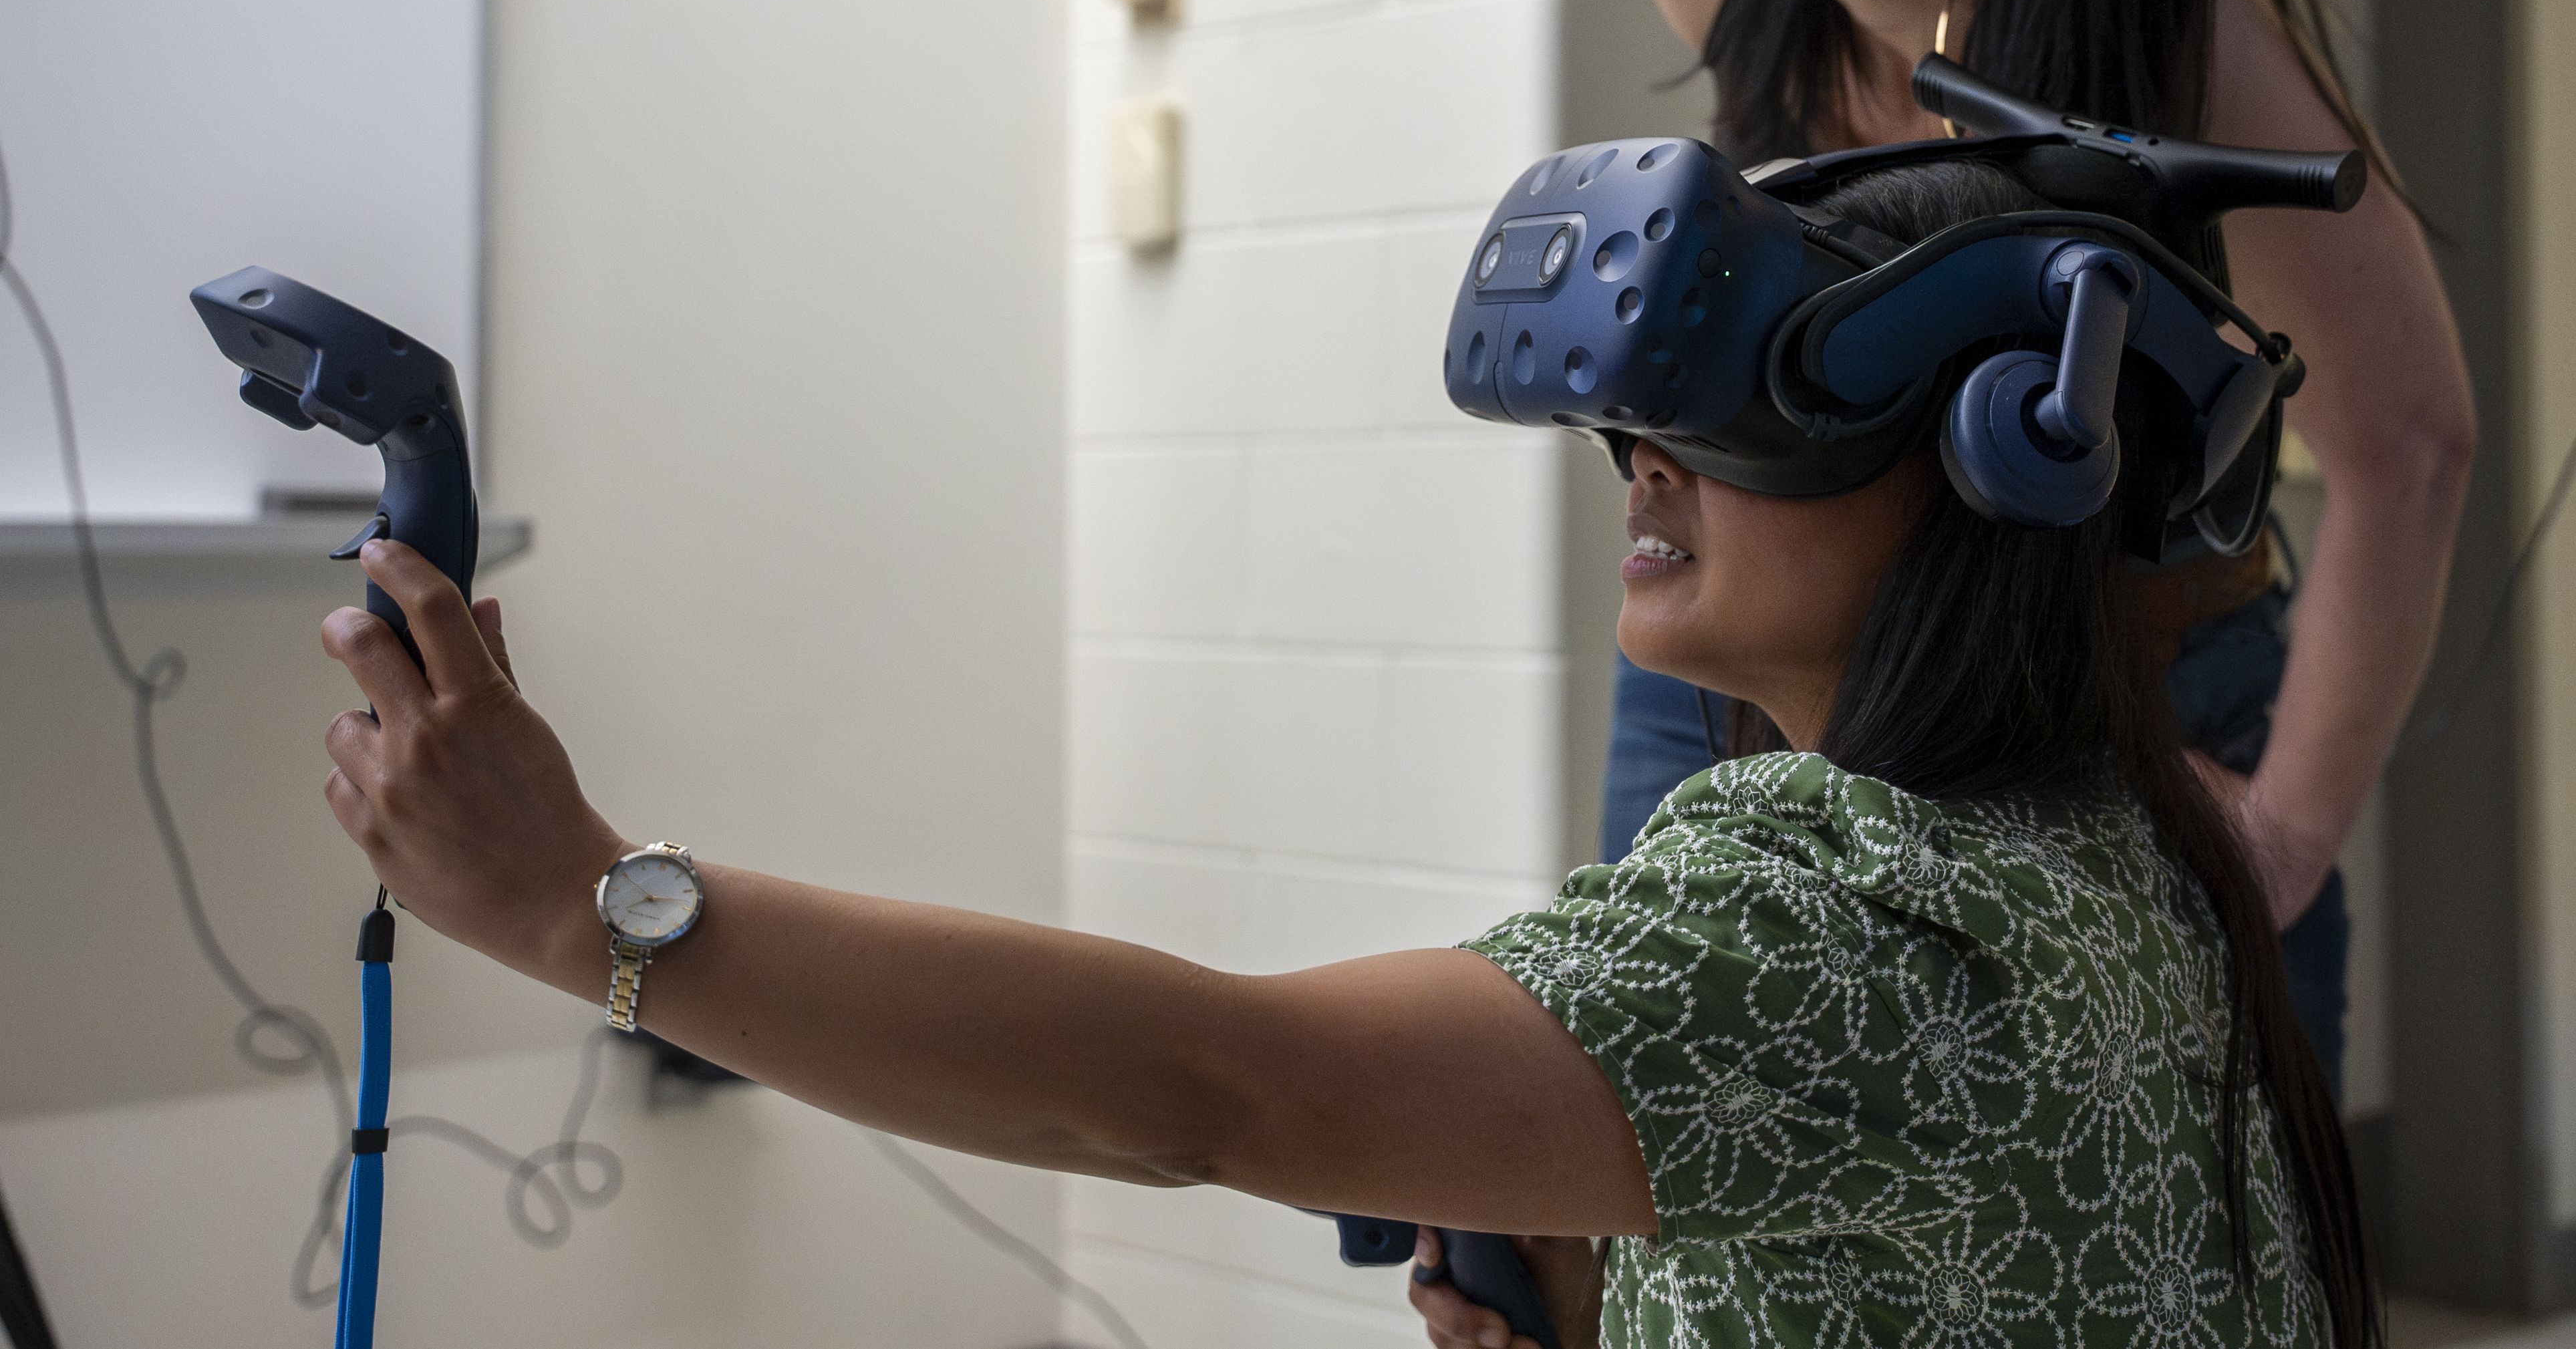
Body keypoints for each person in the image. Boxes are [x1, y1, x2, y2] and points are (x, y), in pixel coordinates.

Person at [885, 0, 2476, 1096]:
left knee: (2173, 1193)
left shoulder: (2179, 39)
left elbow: (2405, 441)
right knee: (1660, 1140)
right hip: (1742, 658)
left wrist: (2286, 832)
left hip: (2106, 679)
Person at [320, 155, 2380, 1349]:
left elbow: (1203, 1087)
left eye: (1750, 417)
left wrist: (587, 909)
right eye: (1637, 422)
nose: (1646, 466)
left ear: (2010, 464)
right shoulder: (2125, 853)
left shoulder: (1846, 918)